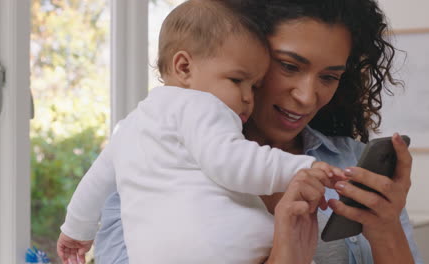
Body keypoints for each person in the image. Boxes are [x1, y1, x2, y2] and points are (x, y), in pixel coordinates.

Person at [88, 0, 425, 263]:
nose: (308, 97)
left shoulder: (351, 164)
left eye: (329, 76)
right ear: (242, 50)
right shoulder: (147, 167)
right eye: (289, 66)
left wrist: (385, 228)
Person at [57, 1, 343, 263]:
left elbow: (93, 185)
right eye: (237, 80)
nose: (247, 97)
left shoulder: (131, 124)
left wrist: (75, 231)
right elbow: (232, 162)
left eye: (254, 86)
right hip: (220, 248)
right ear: (184, 68)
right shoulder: (201, 105)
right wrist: (303, 167)